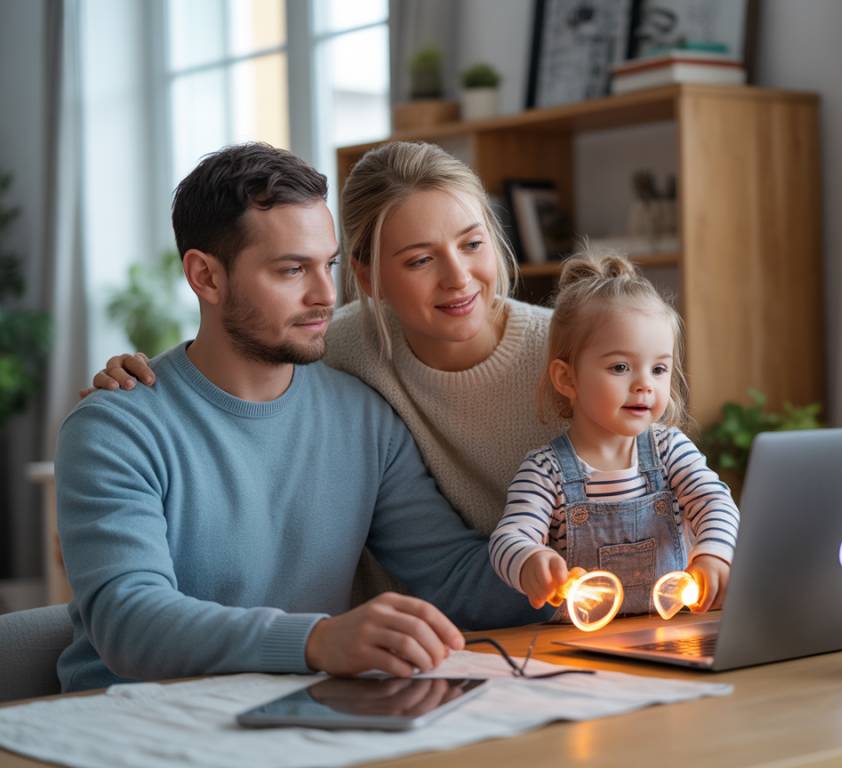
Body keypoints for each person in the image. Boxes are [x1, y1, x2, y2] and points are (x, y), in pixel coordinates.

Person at [56, 143, 542, 693]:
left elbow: (452, 577)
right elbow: (129, 622)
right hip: (126, 722)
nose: (325, 296)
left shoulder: (363, 416)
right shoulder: (117, 429)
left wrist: (587, 566)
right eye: (291, 270)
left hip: (300, 709)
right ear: (206, 277)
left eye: (328, 265)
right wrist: (318, 641)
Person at [489, 254, 740, 616]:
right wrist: (530, 561)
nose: (644, 385)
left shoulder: (670, 450)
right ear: (568, 379)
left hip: (672, 633)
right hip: (583, 651)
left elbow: (715, 503)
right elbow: (508, 538)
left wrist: (713, 555)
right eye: (620, 367)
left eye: (658, 369)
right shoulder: (545, 471)